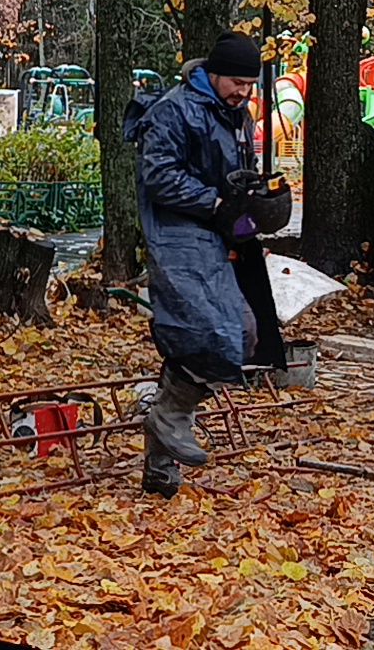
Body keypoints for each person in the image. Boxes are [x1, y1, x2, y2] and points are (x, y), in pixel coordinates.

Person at [124, 32, 288, 497]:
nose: (244, 92)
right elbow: (158, 176)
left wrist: (254, 203)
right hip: (176, 233)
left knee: (244, 333)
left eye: (250, 85)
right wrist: (215, 203)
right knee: (207, 334)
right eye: (237, 82)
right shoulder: (174, 110)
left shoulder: (237, 114)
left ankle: (162, 448)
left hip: (219, 233)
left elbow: (239, 173)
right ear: (213, 74)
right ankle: (170, 419)